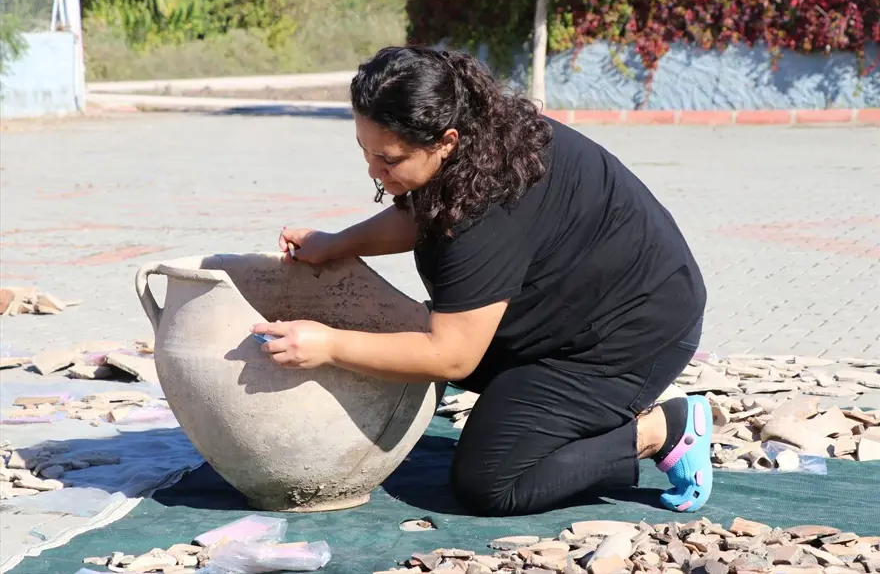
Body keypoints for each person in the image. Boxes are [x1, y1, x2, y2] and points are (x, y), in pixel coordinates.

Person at [250, 45, 712, 517]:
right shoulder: (476, 136)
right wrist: (338, 244)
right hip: (567, 307)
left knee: (489, 481)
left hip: (630, 336)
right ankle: (579, 414)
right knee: (395, 340)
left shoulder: (488, 210)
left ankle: (662, 430)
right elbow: (424, 214)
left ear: (445, 141)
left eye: (389, 159)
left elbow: (451, 355)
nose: (374, 170)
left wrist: (328, 345)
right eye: (365, 151)